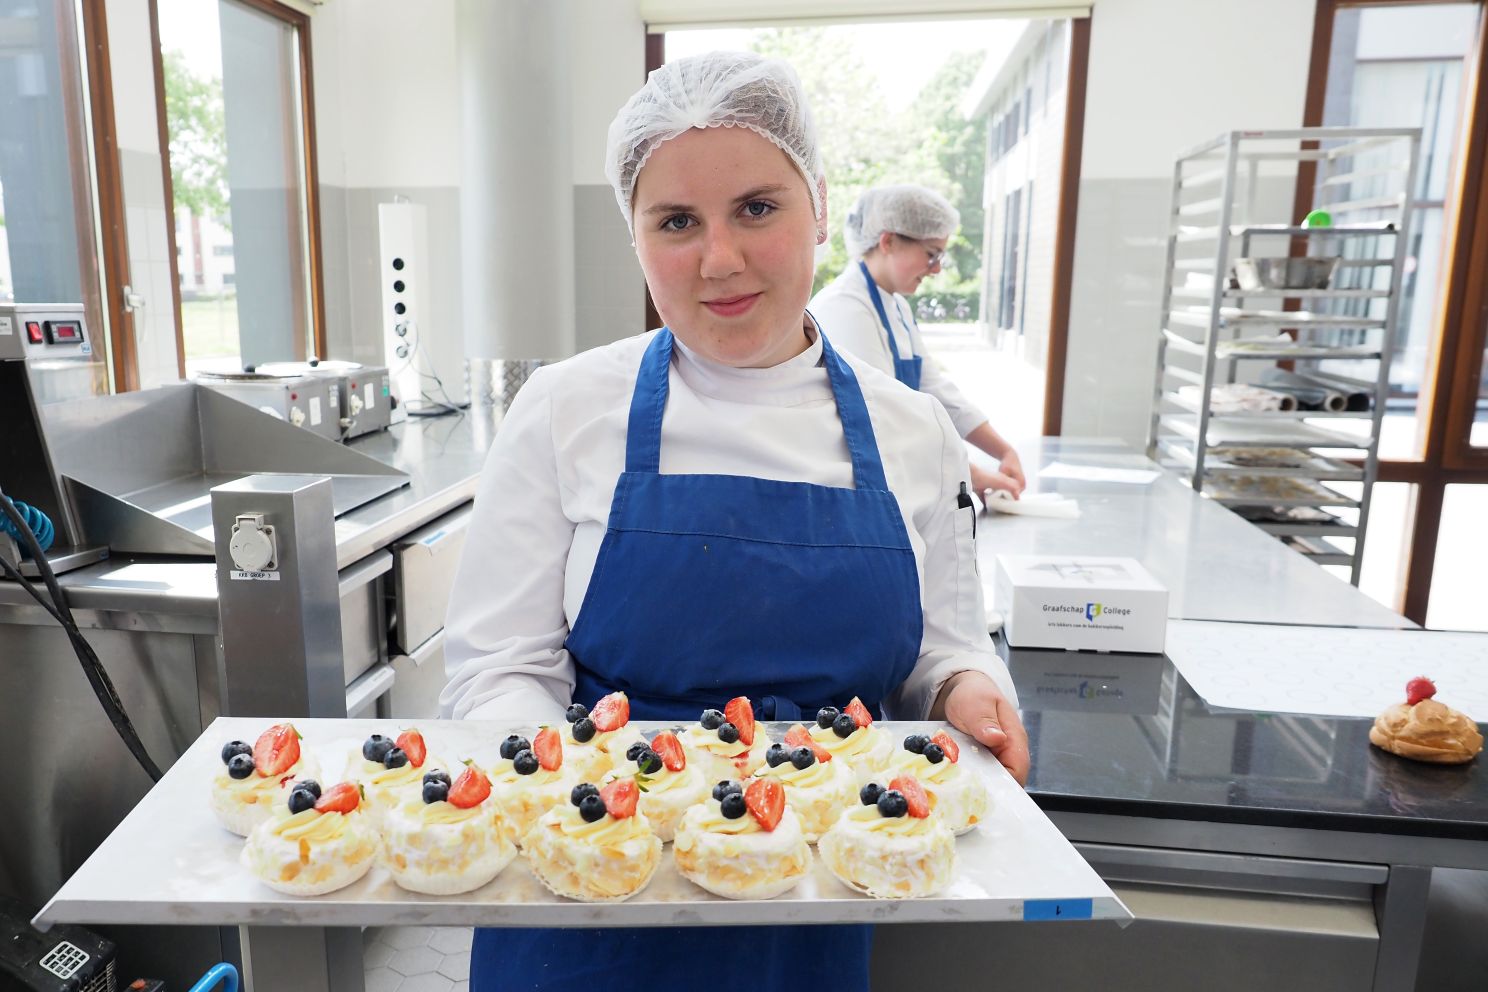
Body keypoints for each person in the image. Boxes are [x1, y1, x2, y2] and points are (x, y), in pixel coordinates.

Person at [441, 50, 1028, 992]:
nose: (720, 259)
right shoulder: (564, 410)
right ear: (634, 237)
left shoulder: (911, 430)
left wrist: (965, 688)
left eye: (757, 207)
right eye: (677, 221)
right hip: (588, 905)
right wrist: (589, 800)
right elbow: (499, 668)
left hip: (809, 905)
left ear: (822, 207)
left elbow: (942, 647)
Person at [809, 184, 1026, 498]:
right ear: (888, 241)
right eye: (931, 254)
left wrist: (1004, 451)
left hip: (895, 471)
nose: (937, 269)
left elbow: (934, 390)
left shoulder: (895, 305)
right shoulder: (846, 308)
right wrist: (969, 475)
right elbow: (883, 415)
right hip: (857, 484)